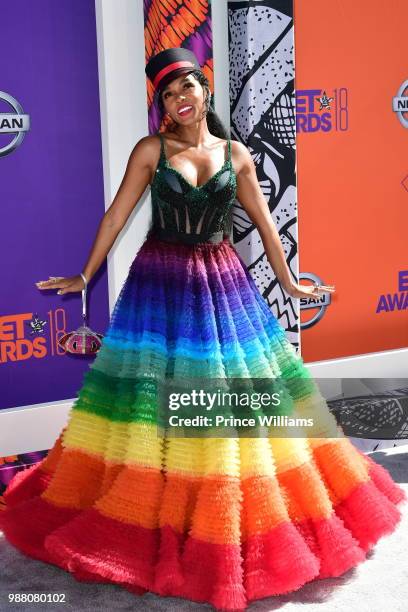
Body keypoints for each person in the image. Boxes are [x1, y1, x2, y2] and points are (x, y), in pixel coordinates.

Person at [0, 47, 405, 611]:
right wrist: (85, 274)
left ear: (204, 89)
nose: (179, 100)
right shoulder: (151, 149)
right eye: (167, 94)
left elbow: (264, 222)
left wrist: (290, 284)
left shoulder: (237, 154)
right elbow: (117, 215)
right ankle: (159, 502)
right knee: (150, 403)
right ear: (162, 105)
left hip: (219, 283)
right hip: (159, 286)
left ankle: (220, 512)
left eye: (186, 87)